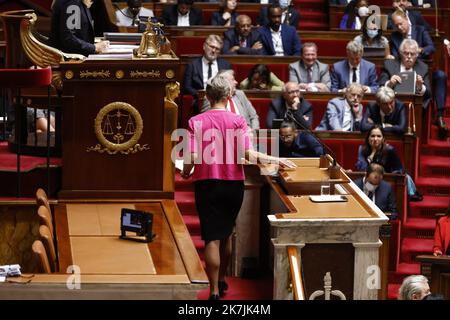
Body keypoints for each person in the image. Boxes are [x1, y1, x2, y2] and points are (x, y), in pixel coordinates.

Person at [181, 73, 295, 300]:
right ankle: (222, 280)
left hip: (207, 185)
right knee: (227, 234)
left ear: (209, 96)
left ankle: (213, 290)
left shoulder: (195, 122)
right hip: (233, 185)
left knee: (211, 237)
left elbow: (191, 157)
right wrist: (274, 159)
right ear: (229, 95)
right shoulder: (237, 121)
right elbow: (247, 154)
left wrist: (185, 172)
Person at [355, 125, 422, 200]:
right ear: (368, 138)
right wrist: (371, 155)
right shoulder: (362, 149)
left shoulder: (389, 150)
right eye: (372, 136)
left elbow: (399, 170)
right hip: (368, 184)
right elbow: (362, 169)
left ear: (383, 139)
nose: (375, 139)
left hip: (385, 184)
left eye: (378, 136)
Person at [183, 35, 232, 112]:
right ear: (204, 46)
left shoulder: (225, 65)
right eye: (212, 47)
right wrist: (202, 95)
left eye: (217, 49)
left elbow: (229, 85)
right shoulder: (193, 65)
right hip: (200, 101)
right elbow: (187, 87)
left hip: (221, 101)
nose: (213, 50)